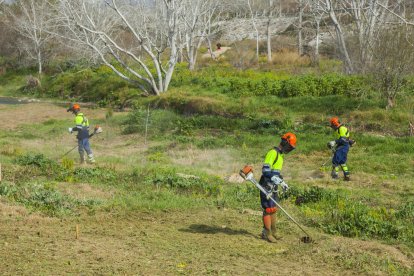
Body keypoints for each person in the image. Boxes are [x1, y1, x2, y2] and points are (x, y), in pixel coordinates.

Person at [259, 132, 297, 243]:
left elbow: (276, 172)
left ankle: (274, 232)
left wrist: (281, 181)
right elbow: (265, 170)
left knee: (274, 208)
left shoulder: (280, 156)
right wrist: (273, 178)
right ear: (285, 142)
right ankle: (267, 233)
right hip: (266, 184)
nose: (289, 149)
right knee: (268, 209)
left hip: (274, 185)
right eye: (289, 146)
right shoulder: (273, 153)